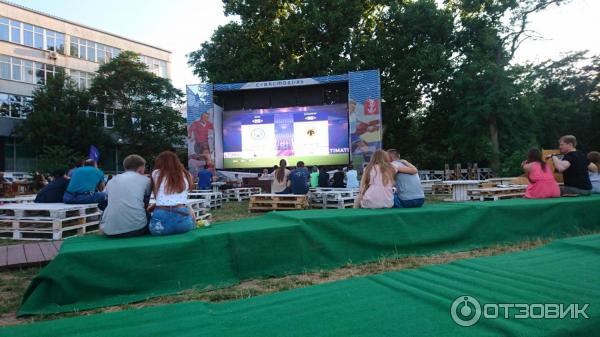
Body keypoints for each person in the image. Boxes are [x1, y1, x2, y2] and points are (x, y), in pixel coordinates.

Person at [101, 155, 152, 238]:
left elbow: (106, 200)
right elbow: (145, 203)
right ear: (140, 169)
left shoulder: (111, 181)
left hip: (109, 231)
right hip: (137, 228)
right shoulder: (146, 180)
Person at [148, 151, 195, 236]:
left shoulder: (156, 173)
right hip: (184, 224)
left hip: (161, 225)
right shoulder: (187, 175)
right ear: (177, 161)